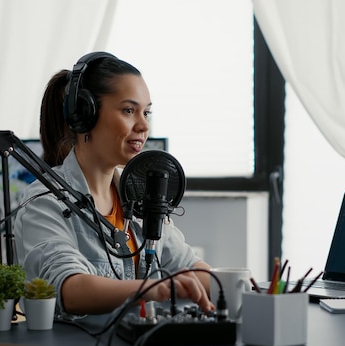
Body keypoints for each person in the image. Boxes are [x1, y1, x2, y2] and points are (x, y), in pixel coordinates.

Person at [14, 52, 213, 319]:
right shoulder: (44, 203)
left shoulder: (143, 199)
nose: (144, 125)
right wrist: (152, 289)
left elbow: (188, 267)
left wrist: (246, 289)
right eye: (129, 110)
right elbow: (69, 289)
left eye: (147, 112)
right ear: (85, 115)